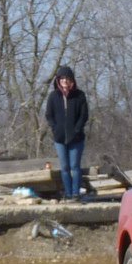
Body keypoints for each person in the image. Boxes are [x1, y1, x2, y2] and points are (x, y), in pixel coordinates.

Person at [43, 65, 89, 200]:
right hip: (59, 139)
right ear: (58, 80)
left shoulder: (79, 95)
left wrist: (77, 129)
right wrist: (55, 128)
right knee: (64, 167)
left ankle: (76, 193)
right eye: (62, 78)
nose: (64, 81)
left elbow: (84, 115)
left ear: (72, 80)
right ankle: (68, 193)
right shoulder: (53, 96)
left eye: (67, 78)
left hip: (76, 138)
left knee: (75, 166)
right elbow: (49, 115)